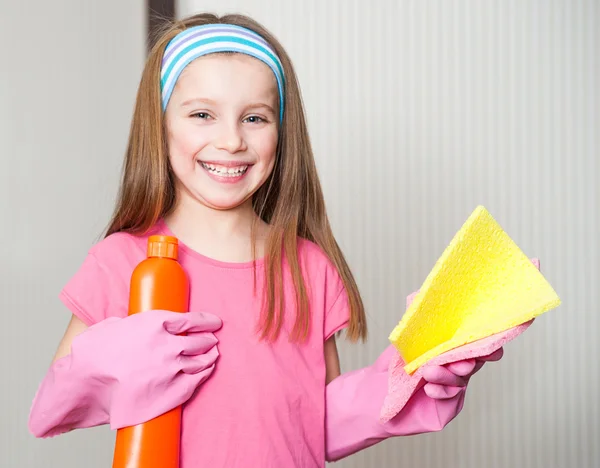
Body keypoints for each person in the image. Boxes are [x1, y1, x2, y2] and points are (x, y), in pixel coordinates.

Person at [28, 13, 504, 467]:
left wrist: (412, 380)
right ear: (161, 124)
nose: (231, 140)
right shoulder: (123, 261)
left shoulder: (307, 267)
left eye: (254, 118)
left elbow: (320, 426)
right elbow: (50, 411)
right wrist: (108, 359)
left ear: (281, 131)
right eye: (202, 114)